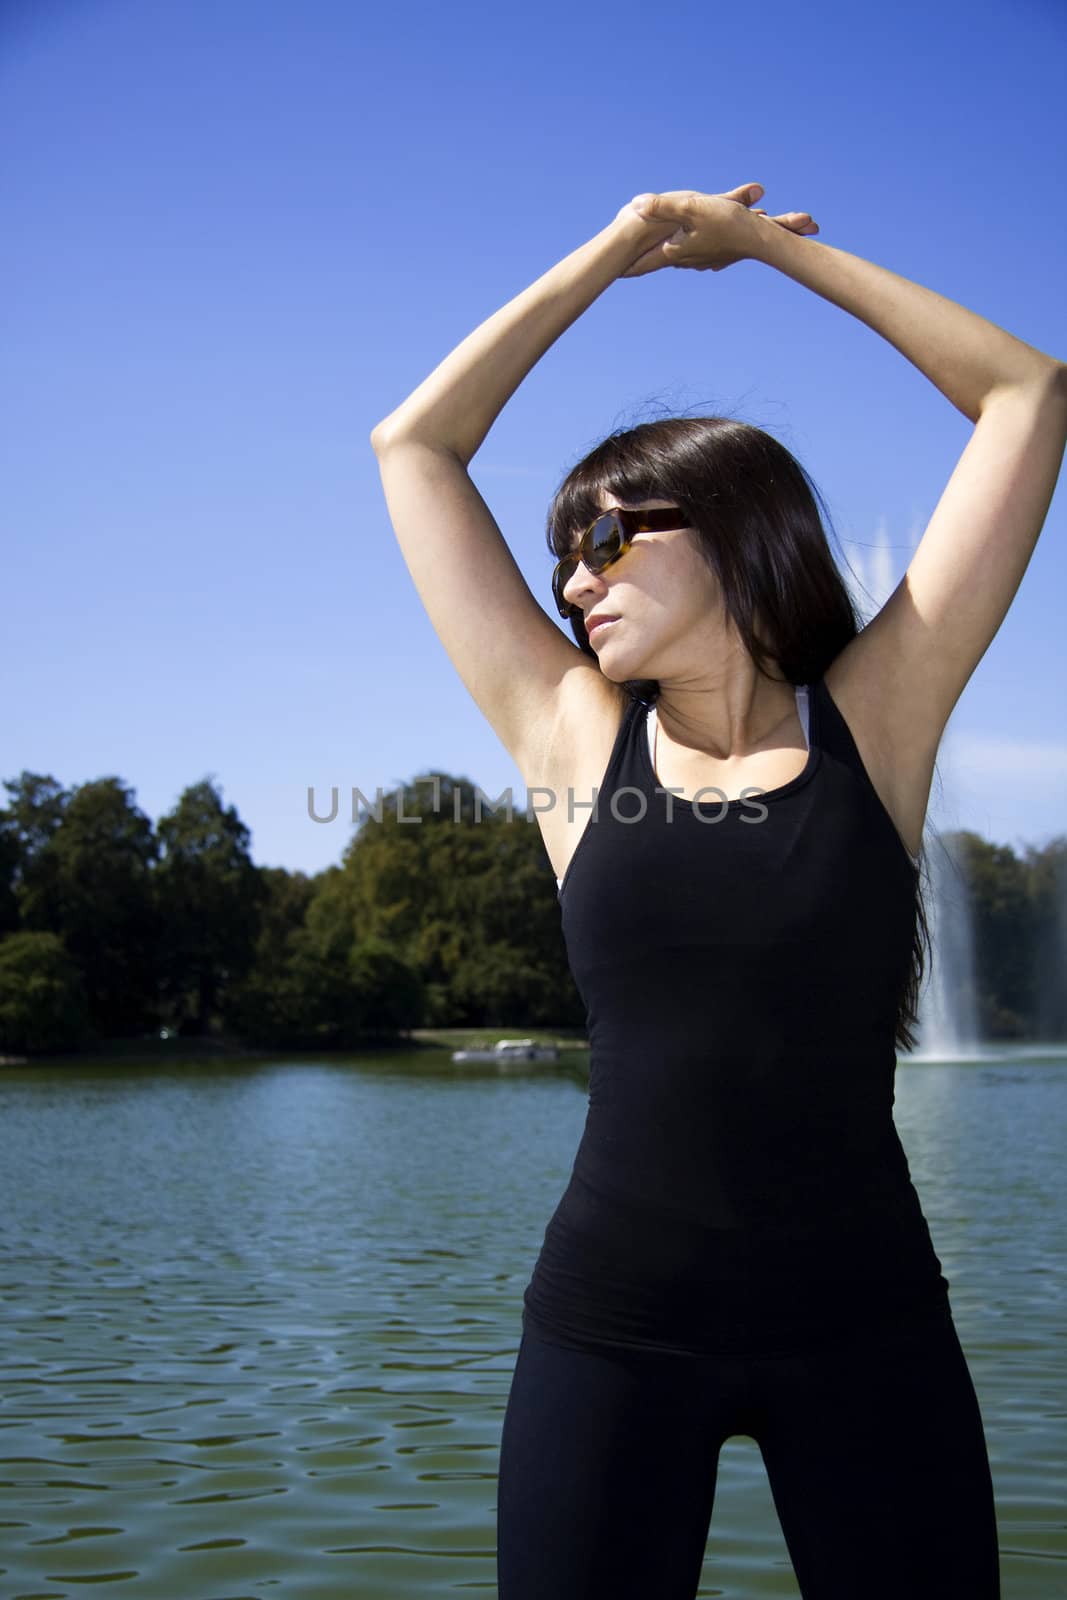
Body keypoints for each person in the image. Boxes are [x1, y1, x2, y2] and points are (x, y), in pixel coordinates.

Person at [370, 182, 1067, 1599]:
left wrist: (762, 254)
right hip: (609, 1335)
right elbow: (417, 446)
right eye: (566, 555)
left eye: (612, 538)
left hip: (866, 1327)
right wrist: (617, 255)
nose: (576, 580)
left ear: (739, 521)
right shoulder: (572, 738)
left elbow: (1028, 394)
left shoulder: (878, 718)